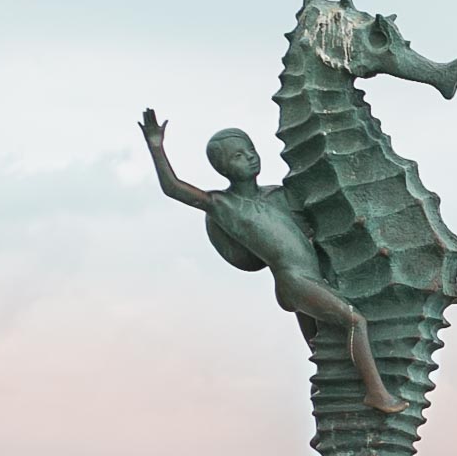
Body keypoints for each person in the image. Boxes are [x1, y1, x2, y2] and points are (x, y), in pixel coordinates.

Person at [138, 108, 408, 413]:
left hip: (312, 276)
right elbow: (173, 188)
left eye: (250, 150)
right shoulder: (223, 205)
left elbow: (310, 226)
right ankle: (377, 393)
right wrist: (156, 146)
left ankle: (328, 416)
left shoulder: (280, 194)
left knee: (321, 352)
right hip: (293, 281)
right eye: (238, 156)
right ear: (222, 167)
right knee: (354, 321)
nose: (250, 157)